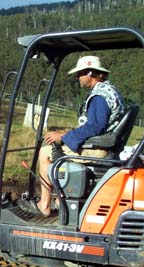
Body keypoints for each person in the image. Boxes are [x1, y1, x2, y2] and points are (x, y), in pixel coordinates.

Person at [34, 55, 126, 217]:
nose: (77, 77)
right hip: (104, 144)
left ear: (90, 72)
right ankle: (59, 200)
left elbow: (95, 127)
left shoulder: (99, 97)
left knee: (44, 153)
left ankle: (45, 204)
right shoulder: (109, 90)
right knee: (53, 152)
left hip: (98, 149)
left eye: (80, 74)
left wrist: (63, 136)